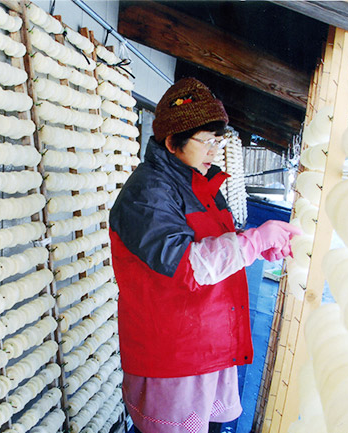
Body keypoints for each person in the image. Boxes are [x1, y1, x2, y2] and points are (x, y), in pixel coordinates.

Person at [109, 78, 300, 433]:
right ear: (172, 142)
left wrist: (256, 248)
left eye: (218, 140)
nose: (214, 150)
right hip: (174, 358)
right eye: (207, 141)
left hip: (208, 346)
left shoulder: (202, 184)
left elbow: (220, 247)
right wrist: (253, 242)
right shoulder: (147, 194)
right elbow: (188, 265)